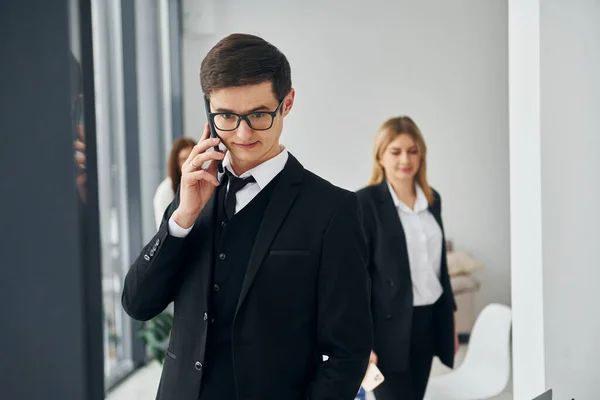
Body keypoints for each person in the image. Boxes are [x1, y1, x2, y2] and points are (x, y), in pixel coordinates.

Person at [122, 33, 372, 400]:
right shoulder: (193, 195)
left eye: (258, 114)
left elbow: (348, 352)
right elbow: (139, 304)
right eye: (225, 116)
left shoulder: (333, 210)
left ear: (286, 103)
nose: (242, 133)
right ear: (209, 110)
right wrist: (182, 217)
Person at [356, 116, 458, 400]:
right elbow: (356, 278)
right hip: (387, 329)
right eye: (396, 151)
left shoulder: (432, 198)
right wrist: (361, 342)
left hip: (428, 320)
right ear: (380, 155)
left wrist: (449, 322)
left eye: (413, 151)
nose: (405, 159)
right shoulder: (364, 203)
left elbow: (441, 269)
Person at [153, 137, 197, 229]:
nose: (189, 162)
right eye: (183, 159)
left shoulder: (205, 184)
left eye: (192, 157)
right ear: (176, 162)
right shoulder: (165, 190)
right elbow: (163, 229)